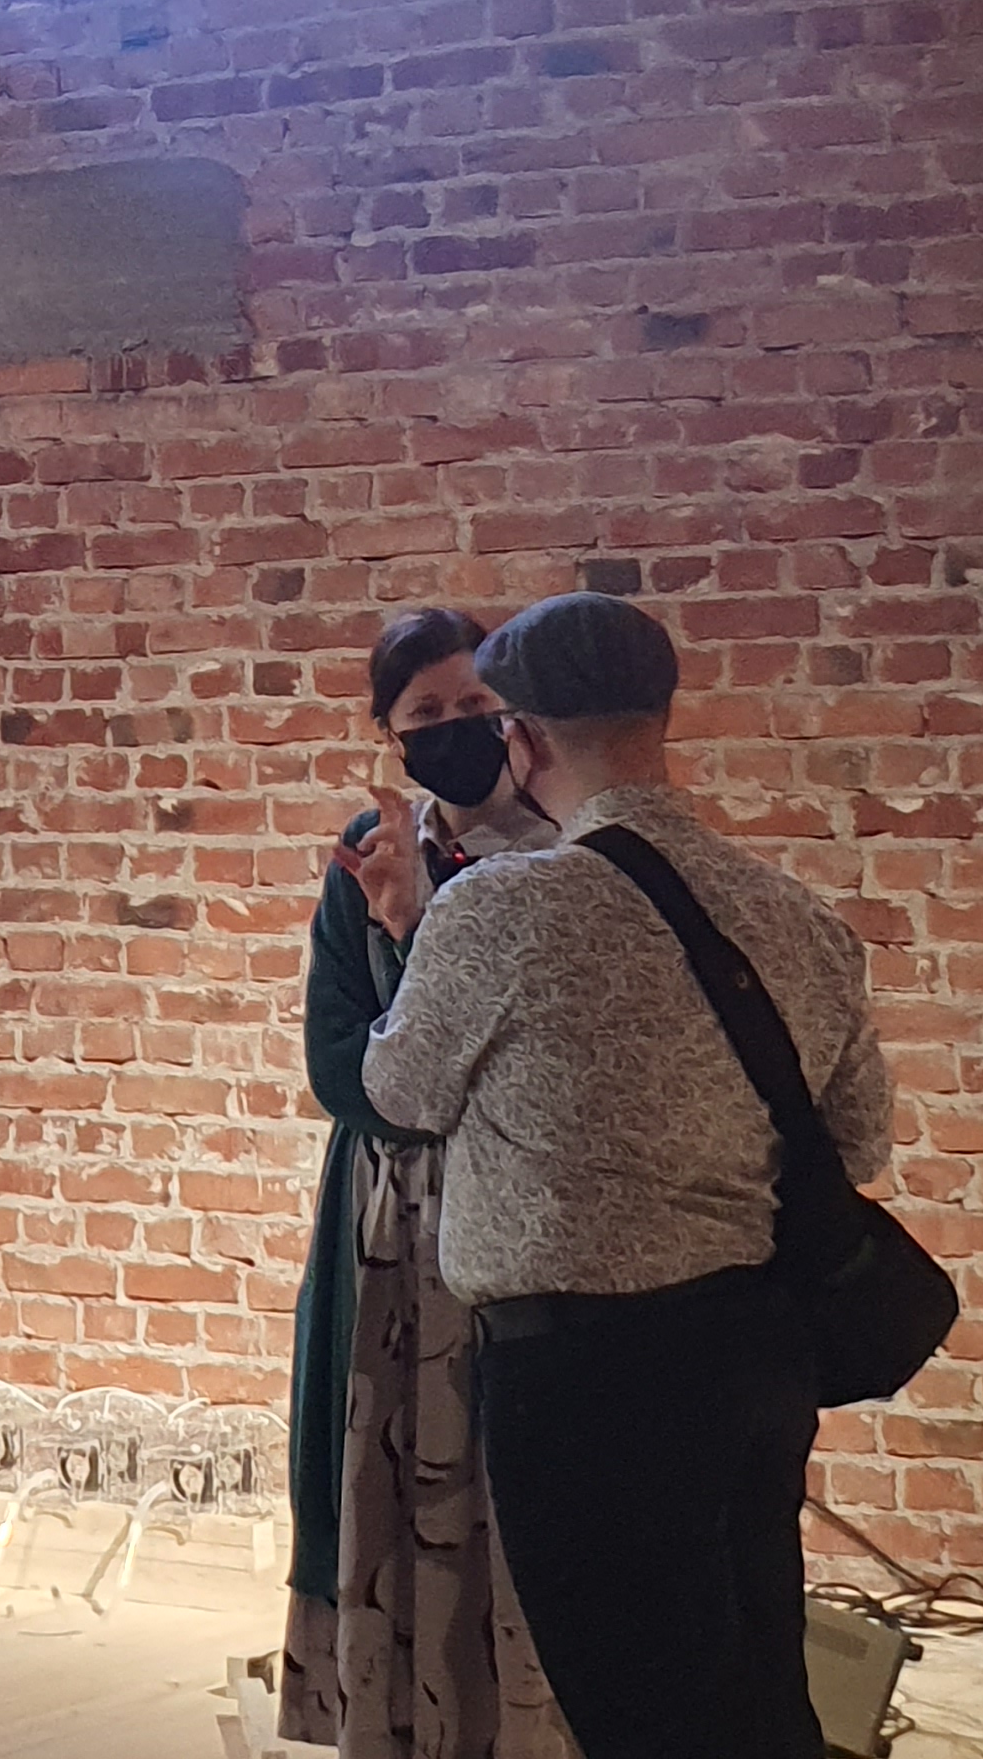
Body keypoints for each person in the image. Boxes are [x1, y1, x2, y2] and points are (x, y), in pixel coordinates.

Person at [358, 595, 894, 1759]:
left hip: (584, 1374)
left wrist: (405, 934)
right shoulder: (796, 916)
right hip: (760, 1352)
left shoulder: (498, 910)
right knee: (761, 1684)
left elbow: (398, 1095)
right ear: (662, 715)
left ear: (526, 742)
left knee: (641, 1707)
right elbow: (856, 1148)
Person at [283, 607, 574, 1759]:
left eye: (472, 707)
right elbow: (341, 1063)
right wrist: (395, 928)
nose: (455, 731)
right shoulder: (370, 848)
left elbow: (535, 1057)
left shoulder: (566, 851)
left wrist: (420, 938)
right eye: (426, 717)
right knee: (391, 1470)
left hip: (522, 1207)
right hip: (391, 1222)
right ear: (388, 735)